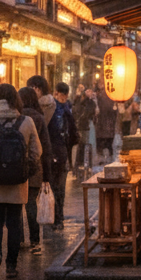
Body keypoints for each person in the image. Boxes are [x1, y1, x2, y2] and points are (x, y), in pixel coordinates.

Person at [0, 83, 42, 280]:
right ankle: (11, 266)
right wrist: (26, 168)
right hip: (17, 182)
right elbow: (37, 152)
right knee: (14, 222)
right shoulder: (26, 121)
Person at [18, 85, 52, 254]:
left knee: (17, 204)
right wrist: (47, 175)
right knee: (31, 203)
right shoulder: (38, 117)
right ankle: (35, 241)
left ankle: (18, 239)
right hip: (35, 167)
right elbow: (45, 146)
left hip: (17, 166)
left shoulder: (17, 116)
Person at [47, 82, 79, 226]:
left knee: (58, 187)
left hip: (60, 153)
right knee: (56, 187)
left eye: (66, 95)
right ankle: (56, 216)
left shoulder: (66, 109)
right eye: (62, 94)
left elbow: (73, 132)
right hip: (57, 152)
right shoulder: (55, 109)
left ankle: (58, 216)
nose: (64, 97)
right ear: (56, 93)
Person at [73, 86, 97, 176]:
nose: (89, 92)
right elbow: (77, 109)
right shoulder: (80, 100)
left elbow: (91, 112)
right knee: (81, 145)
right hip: (81, 126)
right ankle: (79, 166)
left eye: (90, 91)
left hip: (87, 126)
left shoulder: (91, 103)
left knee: (87, 145)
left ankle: (87, 165)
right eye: (88, 90)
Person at [95, 85, 118, 164]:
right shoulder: (112, 99)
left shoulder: (100, 98)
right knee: (108, 144)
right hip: (107, 126)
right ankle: (108, 159)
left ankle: (102, 159)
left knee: (103, 145)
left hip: (102, 126)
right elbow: (115, 111)